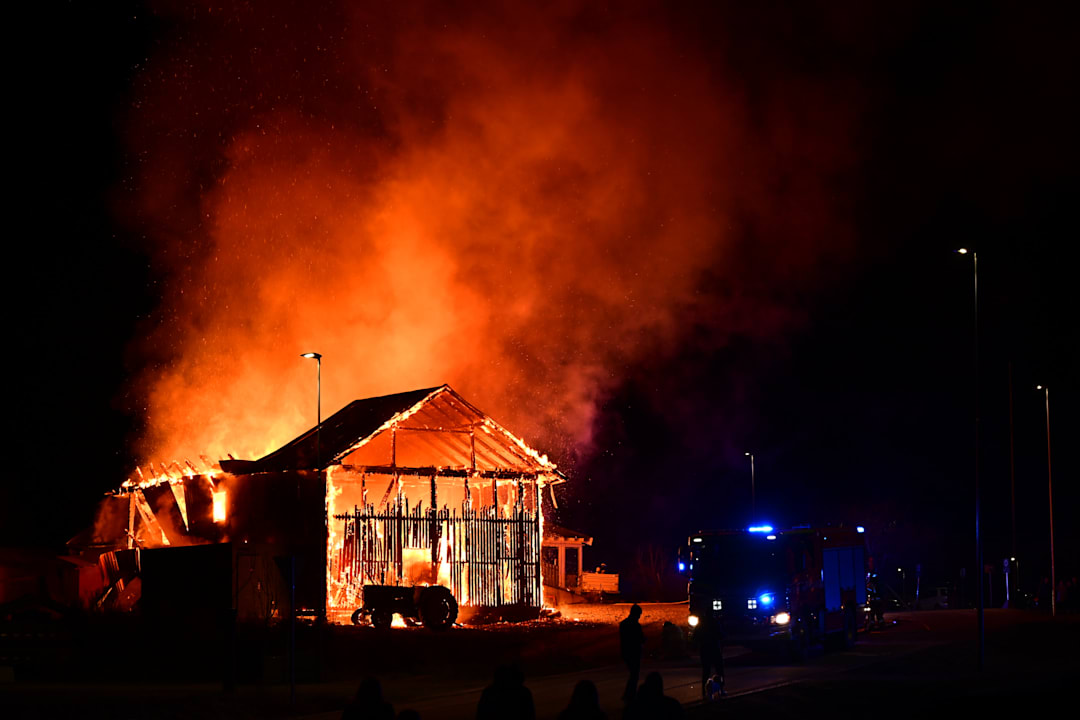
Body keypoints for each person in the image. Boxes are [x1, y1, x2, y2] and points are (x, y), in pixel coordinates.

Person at [619, 604, 646, 702]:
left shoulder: (623, 624)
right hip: (634, 652)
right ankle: (629, 695)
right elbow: (641, 639)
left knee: (633, 674)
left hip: (626, 652)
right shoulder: (636, 625)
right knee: (634, 675)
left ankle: (629, 694)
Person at [696, 618, 725, 699]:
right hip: (715, 650)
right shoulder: (715, 623)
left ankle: (704, 692)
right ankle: (721, 690)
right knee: (719, 671)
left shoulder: (701, 625)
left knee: (706, 672)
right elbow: (721, 635)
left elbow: (695, 636)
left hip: (705, 651)